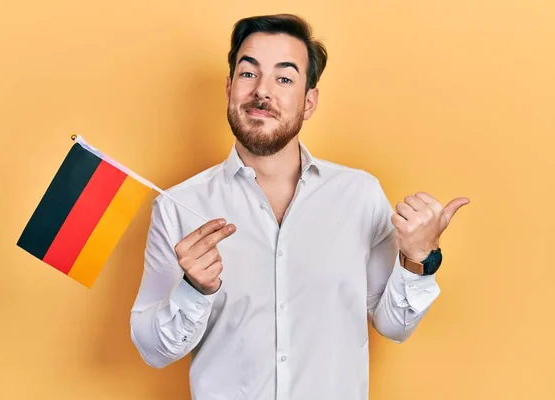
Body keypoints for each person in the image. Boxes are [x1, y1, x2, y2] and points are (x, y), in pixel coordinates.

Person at [130, 13, 469, 400]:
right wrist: (194, 289)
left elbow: (395, 325)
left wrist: (418, 258)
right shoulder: (178, 206)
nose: (262, 91)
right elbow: (153, 350)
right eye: (248, 73)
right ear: (229, 88)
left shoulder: (358, 195)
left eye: (284, 78)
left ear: (309, 102)